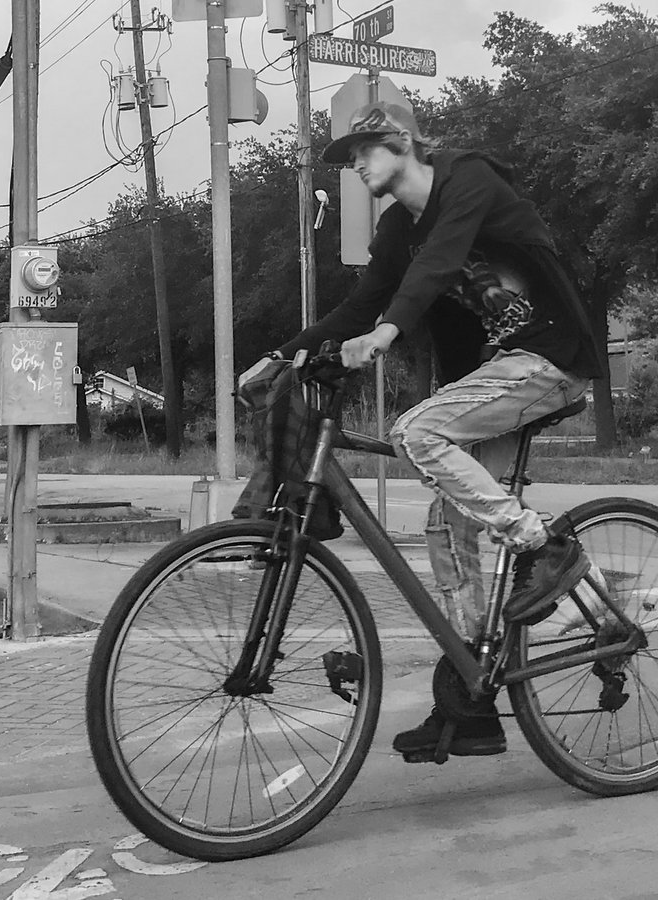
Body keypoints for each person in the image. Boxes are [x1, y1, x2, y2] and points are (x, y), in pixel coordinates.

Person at [237, 102, 606, 759]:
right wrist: (285, 351)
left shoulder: (468, 182)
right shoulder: (394, 230)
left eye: (361, 150)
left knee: (417, 432)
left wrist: (385, 332)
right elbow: (360, 303)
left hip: (550, 358)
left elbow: (438, 265)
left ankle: (541, 546)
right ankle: (472, 700)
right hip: (495, 375)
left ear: (401, 142)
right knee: (448, 526)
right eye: (347, 158)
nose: (353, 164)